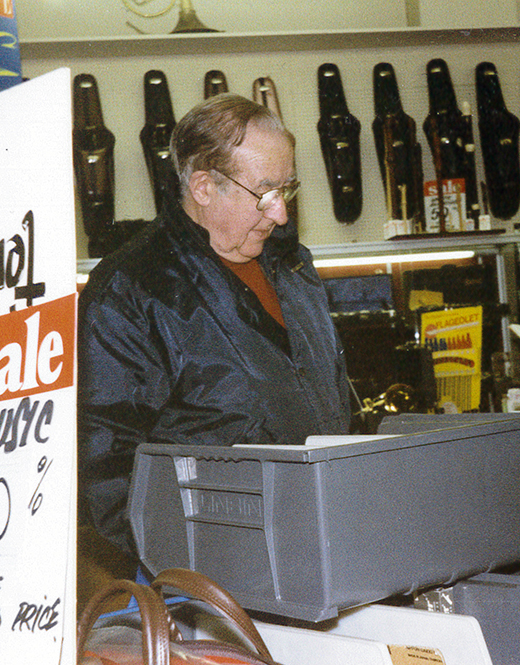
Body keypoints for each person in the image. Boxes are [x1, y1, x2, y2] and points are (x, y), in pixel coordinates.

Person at [78, 94, 351, 557]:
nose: (281, 213)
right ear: (204, 187)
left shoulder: (294, 267)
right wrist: (202, 567)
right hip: (216, 575)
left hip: (325, 544)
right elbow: (107, 479)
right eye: (264, 193)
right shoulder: (132, 290)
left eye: (286, 190)